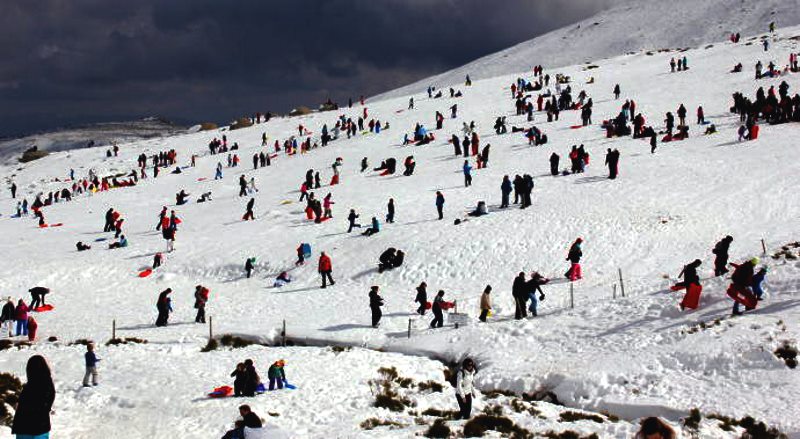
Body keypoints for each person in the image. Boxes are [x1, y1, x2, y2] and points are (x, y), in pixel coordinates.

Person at [11, 355, 56, 438]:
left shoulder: (32, 386)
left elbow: (27, 407)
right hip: (41, 427)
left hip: (26, 429)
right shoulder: (47, 384)